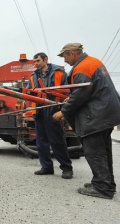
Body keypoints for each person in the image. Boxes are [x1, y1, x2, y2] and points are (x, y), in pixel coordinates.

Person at [54, 43, 120, 199]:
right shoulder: (93, 62)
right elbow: (88, 90)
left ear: (72, 53)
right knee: (103, 152)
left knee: (94, 153)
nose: (64, 59)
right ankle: (105, 183)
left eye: (65, 56)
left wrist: (63, 111)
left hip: (96, 116)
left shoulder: (83, 68)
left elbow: (80, 95)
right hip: (106, 113)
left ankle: (103, 188)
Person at [26, 52, 73, 179]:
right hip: (39, 110)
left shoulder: (59, 72)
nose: (35, 64)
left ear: (45, 60)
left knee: (57, 140)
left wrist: (64, 109)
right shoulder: (33, 76)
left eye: (38, 61)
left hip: (54, 109)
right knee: (41, 142)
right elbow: (28, 91)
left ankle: (66, 168)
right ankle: (46, 167)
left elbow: (69, 91)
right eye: (34, 61)